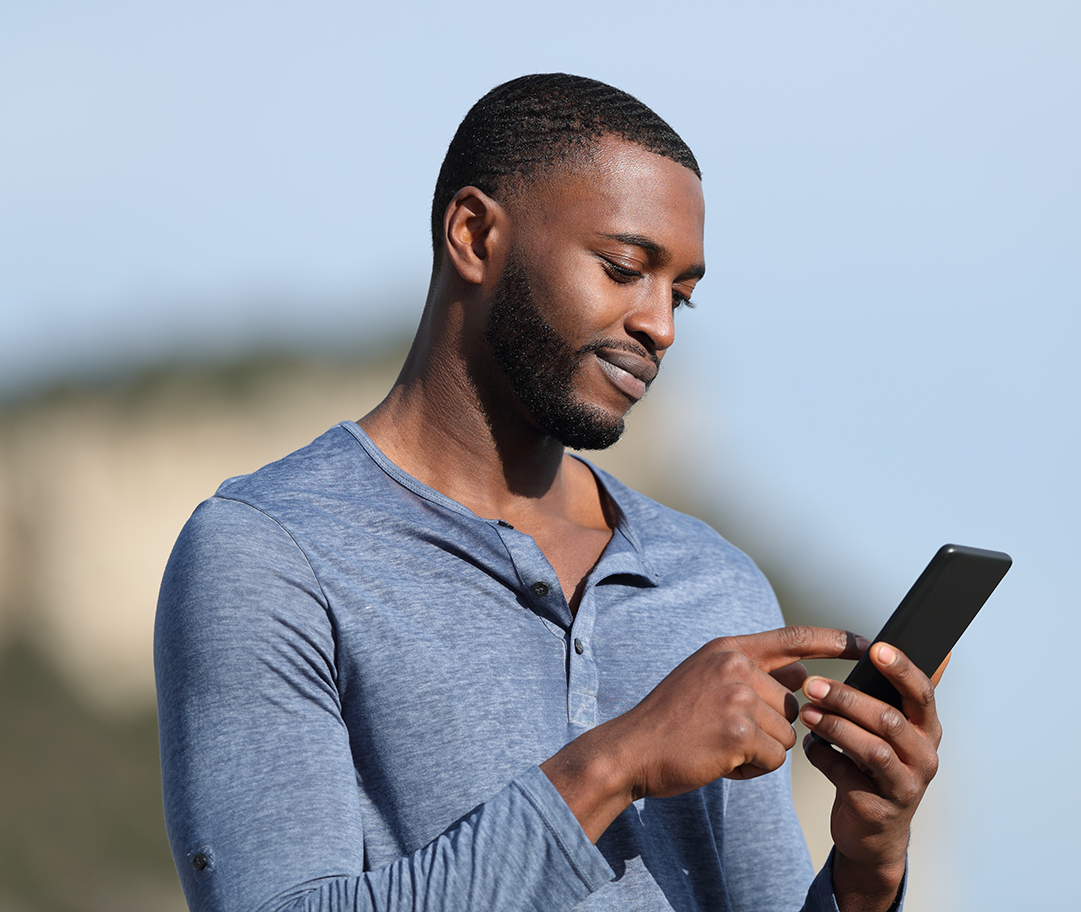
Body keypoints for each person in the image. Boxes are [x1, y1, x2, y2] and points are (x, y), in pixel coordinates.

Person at [155, 74, 944, 912]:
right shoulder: (270, 553)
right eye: (624, 268)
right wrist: (618, 762)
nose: (660, 326)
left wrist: (867, 871)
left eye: (680, 294)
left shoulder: (712, 586)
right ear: (473, 234)